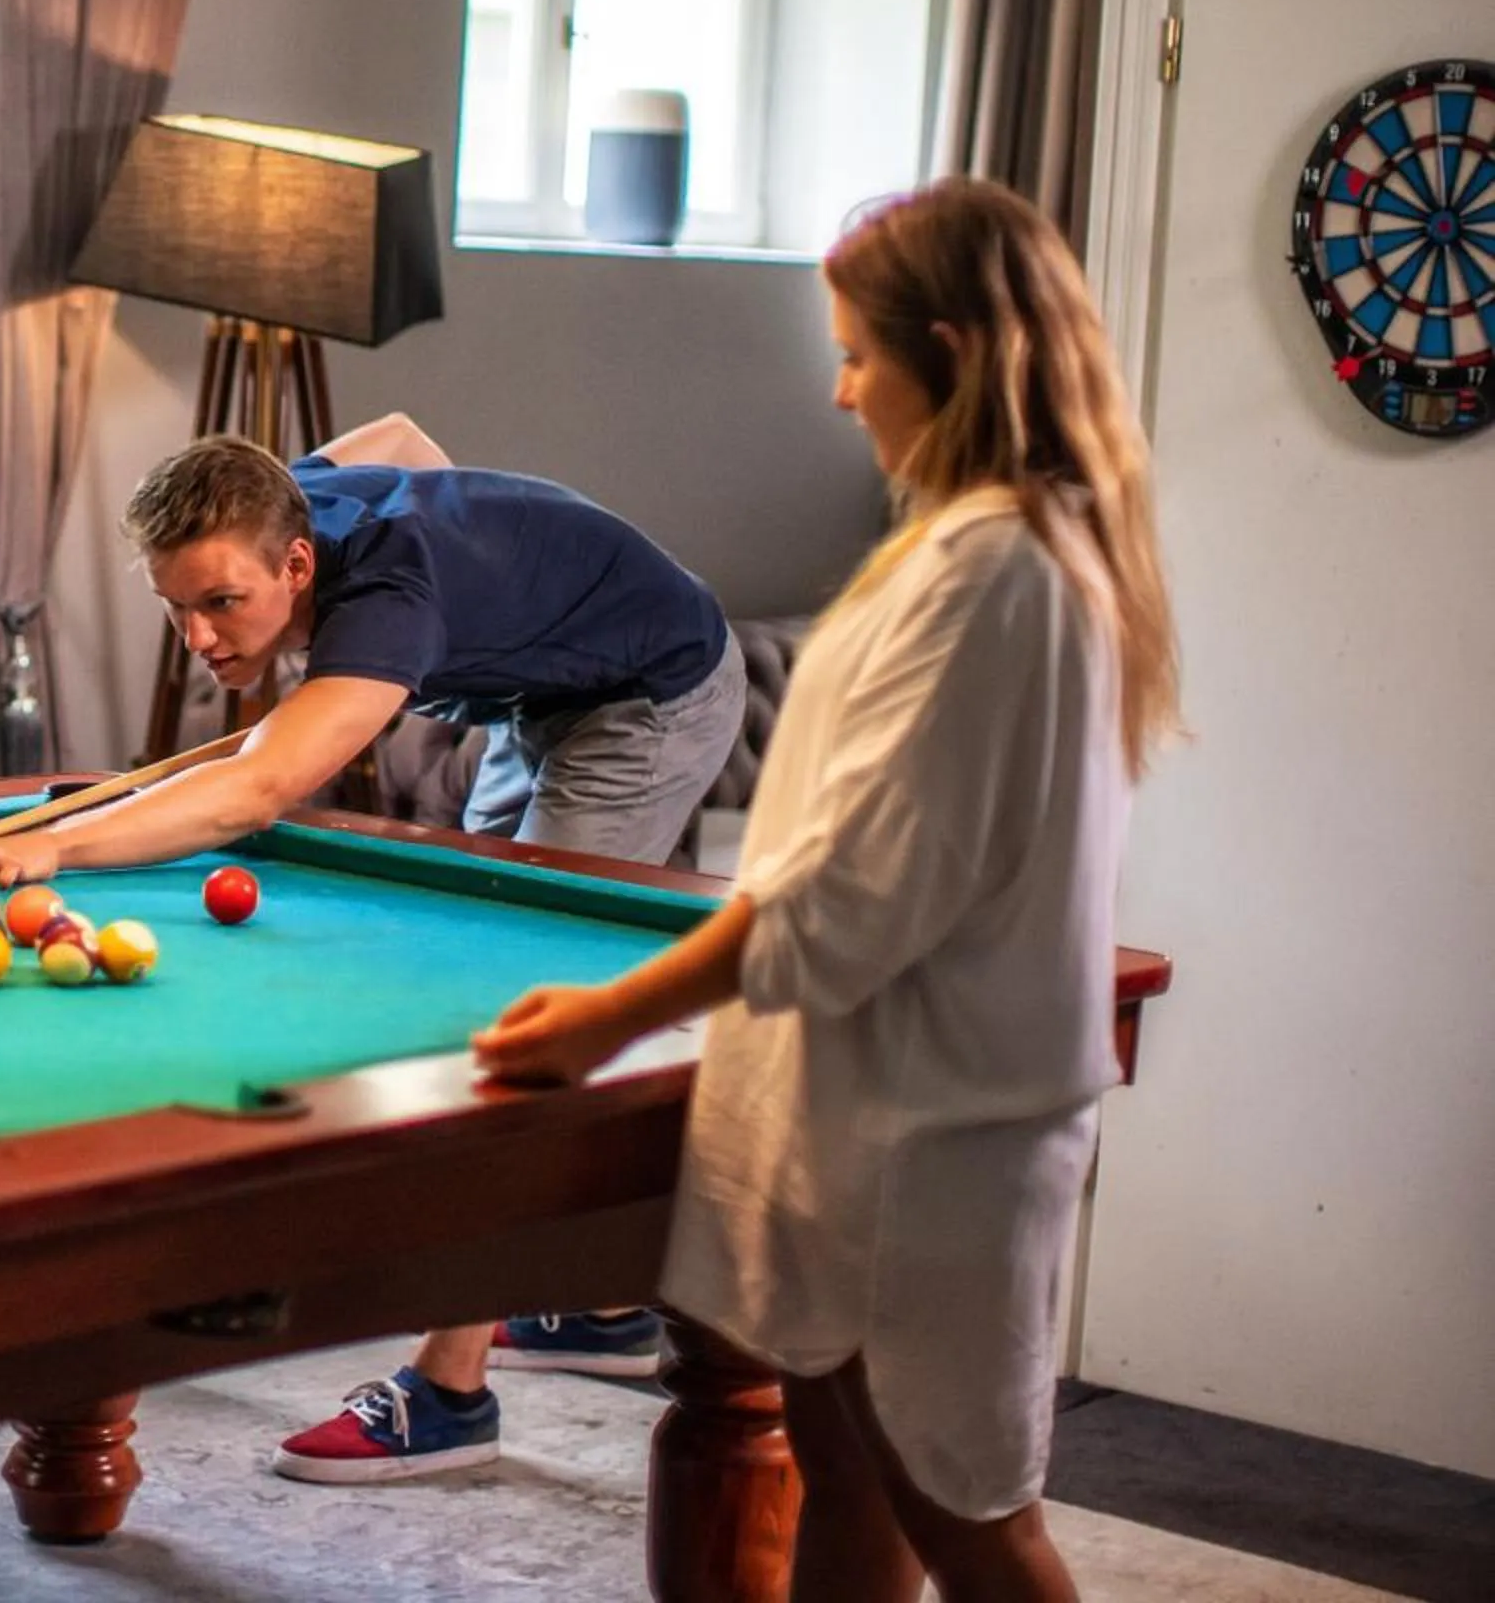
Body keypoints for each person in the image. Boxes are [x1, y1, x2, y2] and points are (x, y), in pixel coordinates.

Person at [482, 179, 1178, 1601]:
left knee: (969, 1515)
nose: (842, 390)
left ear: (957, 357)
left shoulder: (997, 576)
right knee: (848, 1465)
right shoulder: (984, 548)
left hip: (936, 1139)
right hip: (888, 1113)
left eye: (861, 351)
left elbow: (841, 896)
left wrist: (606, 1017)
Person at [0, 413, 746, 1478]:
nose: (202, 637)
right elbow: (405, 440)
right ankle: (599, 1314)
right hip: (543, 699)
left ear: (296, 560)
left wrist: (58, 845)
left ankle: (450, 1391)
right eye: (176, 605)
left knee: (511, 1018)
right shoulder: (281, 494)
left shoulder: (385, 601)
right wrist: (489, 567)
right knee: (483, 964)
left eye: (224, 601)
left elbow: (264, 787)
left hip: (651, 697)